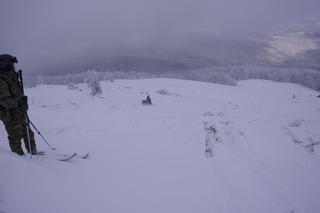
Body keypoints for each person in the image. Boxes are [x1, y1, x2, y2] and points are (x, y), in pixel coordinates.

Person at [0, 54, 37, 155]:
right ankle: (19, 160)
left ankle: (33, 152)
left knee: (28, 134)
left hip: (19, 112)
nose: (13, 67)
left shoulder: (13, 78)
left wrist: (23, 103)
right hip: (10, 115)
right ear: (5, 65)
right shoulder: (1, 81)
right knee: (15, 138)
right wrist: (19, 102)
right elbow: (5, 101)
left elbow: (18, 94)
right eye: (11, 65)